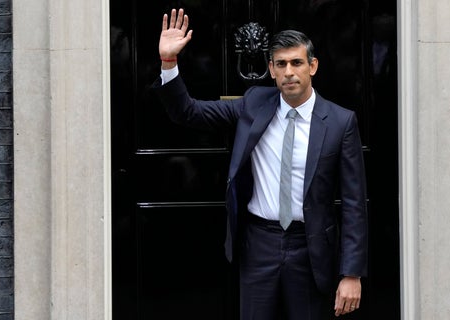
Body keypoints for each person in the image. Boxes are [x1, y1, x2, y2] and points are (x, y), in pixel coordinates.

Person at [152, 8, 369, 319]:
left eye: (297, 63)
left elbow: (353, 203)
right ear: (271, 69)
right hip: (259, 243)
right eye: (281, 64)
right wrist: (169, 63)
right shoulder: (254, 104)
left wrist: (351, 273)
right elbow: (188, 112)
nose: (289, 72)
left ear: (313, 66)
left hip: (311, 249)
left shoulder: (340, 121)